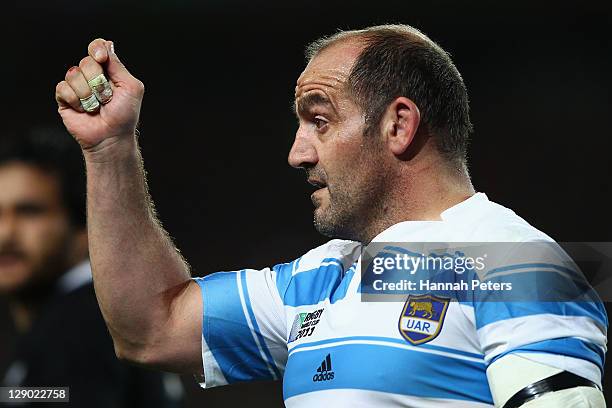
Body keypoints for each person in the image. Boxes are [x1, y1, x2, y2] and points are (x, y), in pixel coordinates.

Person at [54, 24, 607, 407]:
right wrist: (110, 150)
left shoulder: (514, 264)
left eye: (319, 120)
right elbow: (149, 330)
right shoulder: (319, 279)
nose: (297, 153)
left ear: (398, 125)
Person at [0, 128, 184, 407]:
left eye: (29, 212)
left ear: (85, 228)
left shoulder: (79, 324)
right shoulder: (91, 318)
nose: (6, 235)